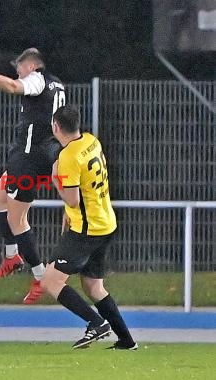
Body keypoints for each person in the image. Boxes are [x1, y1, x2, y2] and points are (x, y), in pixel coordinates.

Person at [41, 104, 138, 350]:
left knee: (50, 281)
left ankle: (96, 323)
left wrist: (55, 179)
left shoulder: (68, 156)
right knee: (93, 286)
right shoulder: (91, 141)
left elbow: (72, 198)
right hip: (106, 222)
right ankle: (126, 341)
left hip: (87, 229)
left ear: (55, 127)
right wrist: (69, 211)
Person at [0, 48, 66, 304]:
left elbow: (12, 87)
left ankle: (40, 277)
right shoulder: (58, 84)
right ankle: (11, 256)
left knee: (18, 220)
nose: (17, 71)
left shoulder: (37, 79)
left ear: (31, 66)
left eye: (19, 67)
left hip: (28, 157)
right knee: (0, 193)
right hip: (38, 153)